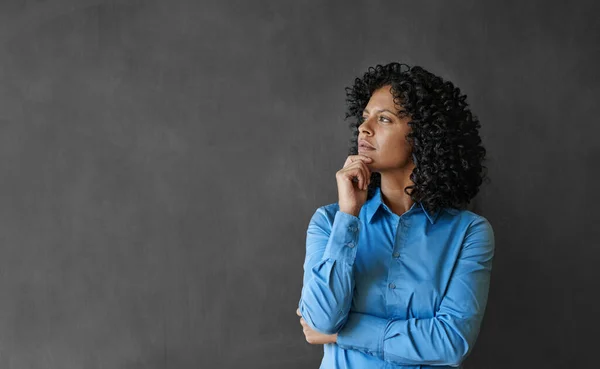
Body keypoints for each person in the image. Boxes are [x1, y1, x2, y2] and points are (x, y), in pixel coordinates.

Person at [296, 62, 495, 369]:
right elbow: (322, 319)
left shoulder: (469, 233)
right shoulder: (329, 222)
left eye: (384, 119)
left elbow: (451, 342)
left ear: (422, 137)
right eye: (364, 118)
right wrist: (349, 215)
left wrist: (340, 336)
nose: (364, 128)